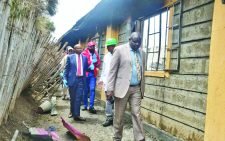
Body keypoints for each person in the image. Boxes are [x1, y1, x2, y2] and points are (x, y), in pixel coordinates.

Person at [107, 32, 145, 141]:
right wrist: (109, 89)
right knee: (119, 116)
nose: (137, 44)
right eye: (134, 41)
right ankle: (117, 138)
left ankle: (140, 139)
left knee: (137, 114)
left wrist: (142, 88)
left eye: (139, 42)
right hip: (122, 88)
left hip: (137, 88)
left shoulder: (142, 53)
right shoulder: (119, 50)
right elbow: (112, 71)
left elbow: (142, 71)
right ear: (129, 39)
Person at [63, 44, 88, 121]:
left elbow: (85, 68)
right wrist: (65, 78)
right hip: (72, 80)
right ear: (75, 49)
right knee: (72, 98)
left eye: (81, 48)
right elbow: (66, 69)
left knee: (78, 97)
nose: (80, 49)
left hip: (81, 80)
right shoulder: (70, 57)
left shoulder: (85, 58)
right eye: (78, 48)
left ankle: (76, 115)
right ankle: (71, 111)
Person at [99, 38, 117, 127]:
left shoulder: (118, 55)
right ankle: (109, 118)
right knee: (108, 99)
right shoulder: (106, 56)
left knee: (117, 99)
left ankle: (117, 119)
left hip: (117, 81)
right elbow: (104, 69)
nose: (110, 48)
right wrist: (101, 79)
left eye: (112, 46)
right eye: (109, 46)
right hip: (107, 81)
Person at [82, 41, 101, 114]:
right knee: (85, 90)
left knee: (92, 89)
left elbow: (99, 62)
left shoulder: (96, 53)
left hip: (93, 73)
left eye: (93, 46)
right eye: (91, 46)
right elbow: (83, 63)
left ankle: (91, 106)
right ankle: (85, 105)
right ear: (88, 47)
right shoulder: (84, 53)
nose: (92, 47)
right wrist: (90, 62)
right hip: (86, 73)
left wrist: (96, 65)